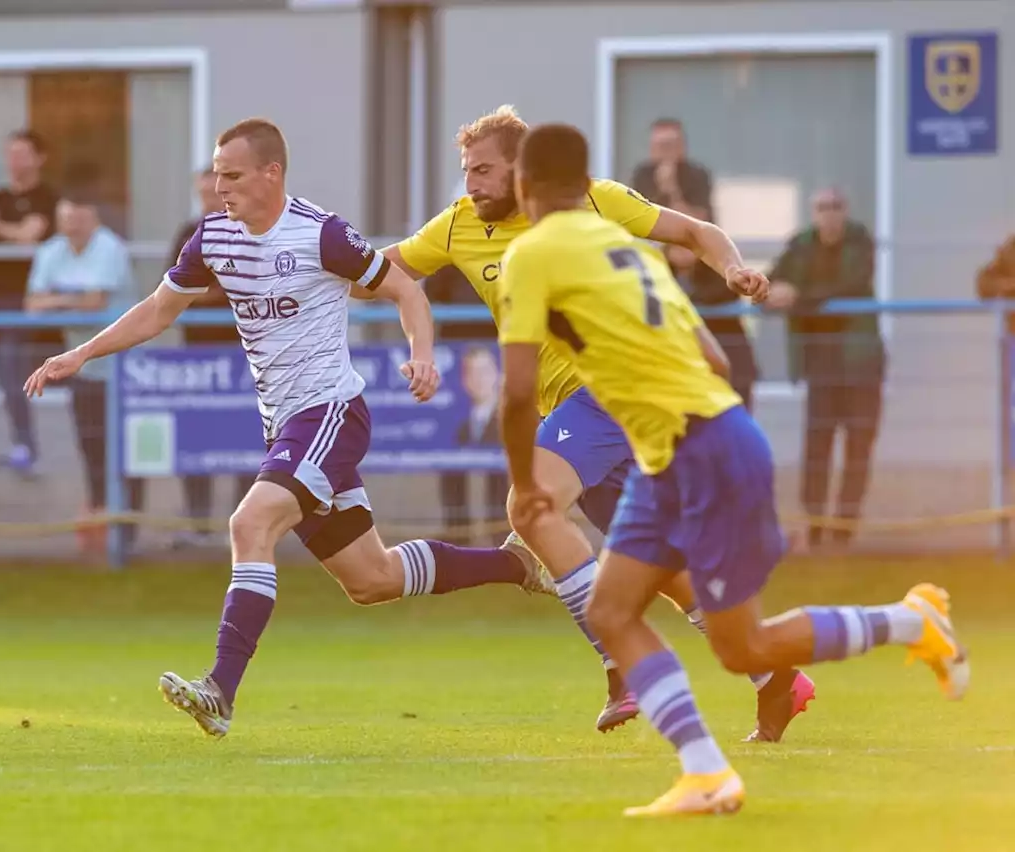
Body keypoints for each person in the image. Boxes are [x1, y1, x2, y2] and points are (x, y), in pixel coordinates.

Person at [25, 118, 552, 738]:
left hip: (330, 415)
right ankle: (517, 566)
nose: (219, 187)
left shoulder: (320, 234)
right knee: (371, 579)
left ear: (271, 174)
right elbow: (158, 311)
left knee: (249, 523)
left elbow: (407, 290)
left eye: (232, 175)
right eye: (216, 174)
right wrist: (83, 353)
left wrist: (424, 354)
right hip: (286, 427)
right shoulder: (212, 238)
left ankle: (219, 690)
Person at [499, 122, 968, 817]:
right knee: (613, 609)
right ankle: (706, 773)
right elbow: (715, 360)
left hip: (702, 451)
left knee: (743, 643)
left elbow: (515, 392)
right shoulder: (625, 248)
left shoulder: (530, 254)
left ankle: (911, 619)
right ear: (586, 182)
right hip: (688, 445)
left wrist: (528, 485)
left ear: (522, 185)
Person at [379, 105, 805, 741]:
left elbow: (694, 232)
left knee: (532, 504)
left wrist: (735, 268)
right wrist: (305, 256)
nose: (472, 184)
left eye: (484, 170)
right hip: (581, 411)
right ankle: (775, 675)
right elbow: (382, 269)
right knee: (659, 568)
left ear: (523, 173)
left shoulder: (594, 202)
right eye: (466, 171)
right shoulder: (458, 225)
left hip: (604, 390)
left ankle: (621, 666)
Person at [26, 186, 145, 555]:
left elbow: (96, 303)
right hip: (80, 368)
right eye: (65, 220)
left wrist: (57, 299)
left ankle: (127, 532)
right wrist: (73, 302)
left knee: (126, 453)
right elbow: (32, 305)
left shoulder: (110, 248)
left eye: (78, 220)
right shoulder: (51, 251)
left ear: (93, 218)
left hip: (124, 369)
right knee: (90, 446)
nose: (72, 227)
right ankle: (99, 527)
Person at [765, 187, 884, 549]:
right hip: (820, 363)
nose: (829, 214)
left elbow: (852, 284)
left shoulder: (860, 242)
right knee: (817, 447)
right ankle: (815, 527)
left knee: (858, 447)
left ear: (845, 210)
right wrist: (775, 290)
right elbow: (773, 282)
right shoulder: (800, 244)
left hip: (861, 363)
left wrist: (799, 295)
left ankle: (844, 530)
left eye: (835, 206)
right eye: (822, 207)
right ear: (813, 213)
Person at [173, 166, 256, 542]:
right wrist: (207, 291)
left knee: (246, 440)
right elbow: (172, 290)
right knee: (196, 441)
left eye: (215, 194)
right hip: (196, 359)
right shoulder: (187, 234)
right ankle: (199, 524)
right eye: (203, 195)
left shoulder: (247, 232)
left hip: (243, 354)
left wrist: (203, 291)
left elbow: (243, 286)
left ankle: (243, 521)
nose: (210, 201)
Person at [0, 129, 59, 477]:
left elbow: (30, 235)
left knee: (13, 372)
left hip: (23, 300)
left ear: (40, 158)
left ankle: (27, 445)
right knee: (3, 374)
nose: (15, 160)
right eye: (10, 153)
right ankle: (20, 442)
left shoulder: (45, 197)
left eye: (22, 153)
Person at [428, 267, 508, 545]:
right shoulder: (447, 249)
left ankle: (498, 526)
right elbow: (428, 294)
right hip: (454, 349)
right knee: (451, 450)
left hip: (496, 344)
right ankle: (456, 529)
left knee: (499, 454)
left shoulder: (508, 247)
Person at [665, 242, 758, 410]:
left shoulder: (716, 268)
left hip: (728, 349)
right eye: (676, 249)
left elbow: (728, 291)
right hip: (683, 355)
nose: (682, 254)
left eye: (686, 248)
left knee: (735, 406)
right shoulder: (660, 272)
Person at [629, 118, 714, 222]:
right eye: (660, 146)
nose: (665, 152)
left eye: (669, 146)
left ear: (681, 147)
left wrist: (673, 191)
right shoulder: (642, 175)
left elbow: (700, 223)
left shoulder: (697, 175)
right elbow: (636, 218)